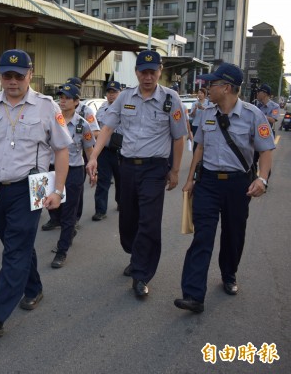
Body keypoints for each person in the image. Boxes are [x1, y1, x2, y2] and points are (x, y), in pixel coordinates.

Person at [0, 49, 72, 337]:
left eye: (18, 75)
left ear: (30, 74)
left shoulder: (47, 106)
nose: (12, 81)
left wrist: (58, 191)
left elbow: (62, 151)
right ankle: (34, 288)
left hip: (31, 187)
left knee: (14, 250)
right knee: (18, 245)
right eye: (6, 75)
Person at [86, 50, 188, 298]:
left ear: (160, 71)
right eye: (144, 71)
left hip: (155, 168)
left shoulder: (171, 99)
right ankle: (136, 254)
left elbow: (179, 137)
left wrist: (174, 170)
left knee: (149, 221)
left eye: (153, 72)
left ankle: (141, 274)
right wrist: (93, 156)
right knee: (128, 220)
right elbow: (108, 128)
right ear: (137, 72)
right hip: (128, 166)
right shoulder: (124, 98)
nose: (148, 76)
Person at [174, 63, 275, 313]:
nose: (208, 88)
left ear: (227, 88)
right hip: (207, 183)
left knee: (233, 234)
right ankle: (193, 294)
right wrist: (190, 179)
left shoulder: (253, 115)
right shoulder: (207, 113)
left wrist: (262, 179)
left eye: (213, 84)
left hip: (238, 185)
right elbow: (199, 148)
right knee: (203, 237)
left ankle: (229, 274)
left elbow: (265, 150)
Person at [48, 84, 95, 268]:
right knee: (52, 208)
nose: (63, 100)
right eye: (61, 96)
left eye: (67, 97)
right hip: (52, 170)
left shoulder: (83, 124)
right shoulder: (51, 120)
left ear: (76, 102)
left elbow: (89, 148)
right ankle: (66, 230)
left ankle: (62, 250)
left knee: (69, 213)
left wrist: (93, 169)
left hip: (74, 170)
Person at [93, 81, 122, 221]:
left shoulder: (126, 108)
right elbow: (98, 129)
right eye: (109, 92)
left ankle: (121, 203)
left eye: (114, 92)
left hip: (121, 151)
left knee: (121, 180)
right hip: (104, 150)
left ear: (120, 93)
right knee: (103, 181)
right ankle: (100, 210)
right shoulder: (101, 109)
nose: (111, 95)